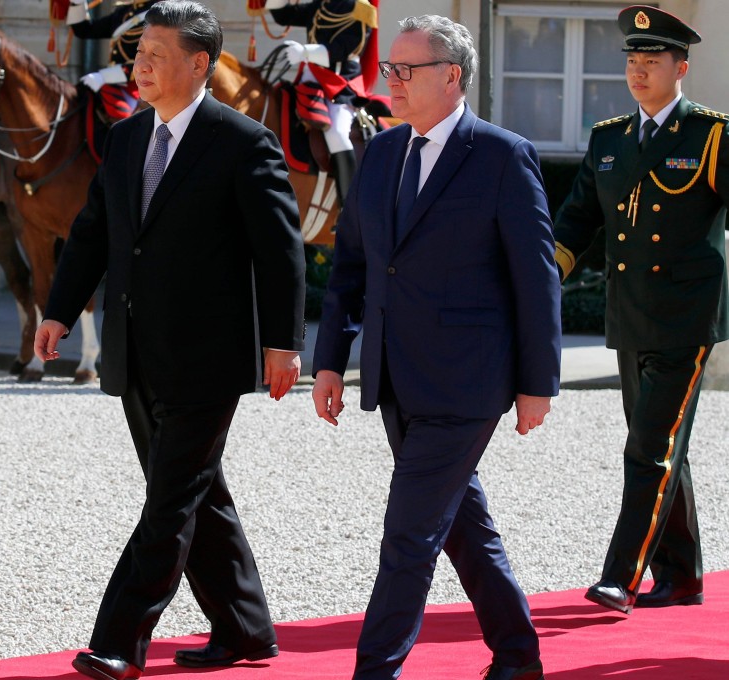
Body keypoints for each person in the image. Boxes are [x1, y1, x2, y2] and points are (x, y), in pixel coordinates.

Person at [33, 2, 306, 678]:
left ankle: (119, 642)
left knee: (169, 501)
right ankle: (246, 629)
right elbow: (93, 232)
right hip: (135, 350)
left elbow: (280, 253)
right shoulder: (127, 137)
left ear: (199, 63)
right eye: (139, 54)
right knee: (197, 493)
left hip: (208, 356)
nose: (141, 66)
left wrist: (283, 343)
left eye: (157, 54)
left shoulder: (243, 142)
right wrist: (58, 311)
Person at [311, 14, 561, 680]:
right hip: (395, 376)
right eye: (389, 67)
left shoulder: (503, 156)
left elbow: (536, 278)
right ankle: (518, 656)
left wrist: (538, 382)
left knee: (409, 535)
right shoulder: (382, 152)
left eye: (405, 69)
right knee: (462, 528)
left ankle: (375, 671)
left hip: (467, 383)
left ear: (451, 76)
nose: (389, 80)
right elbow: (353, 266)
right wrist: (330, 359)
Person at [553, 5, 728, 615]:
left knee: (648, 449)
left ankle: (620, 577)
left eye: (652, 59)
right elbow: (577, 220)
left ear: (681, 67)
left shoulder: (711, 135)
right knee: (660, 445)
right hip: (629, 315)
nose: (638, 70)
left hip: (686, 317)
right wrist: (546, 274)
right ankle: (681, 577)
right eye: (632, 59)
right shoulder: (610, 139)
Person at [265, 0, 377, 203]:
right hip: (310, 80)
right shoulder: (322, 4)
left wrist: (306, 52)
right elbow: (284, 15)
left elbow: (345, 49)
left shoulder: (360, 8)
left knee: (336, 133)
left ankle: (350, 205)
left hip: (339, 83)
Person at [65, 0, 161, 120]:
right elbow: (85, 30)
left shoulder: (161, 14)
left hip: (140, 87)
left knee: (122, 123)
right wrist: (77, 3)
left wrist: (104, 76)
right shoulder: (124, 11)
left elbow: (154, 62)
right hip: (115, 83)